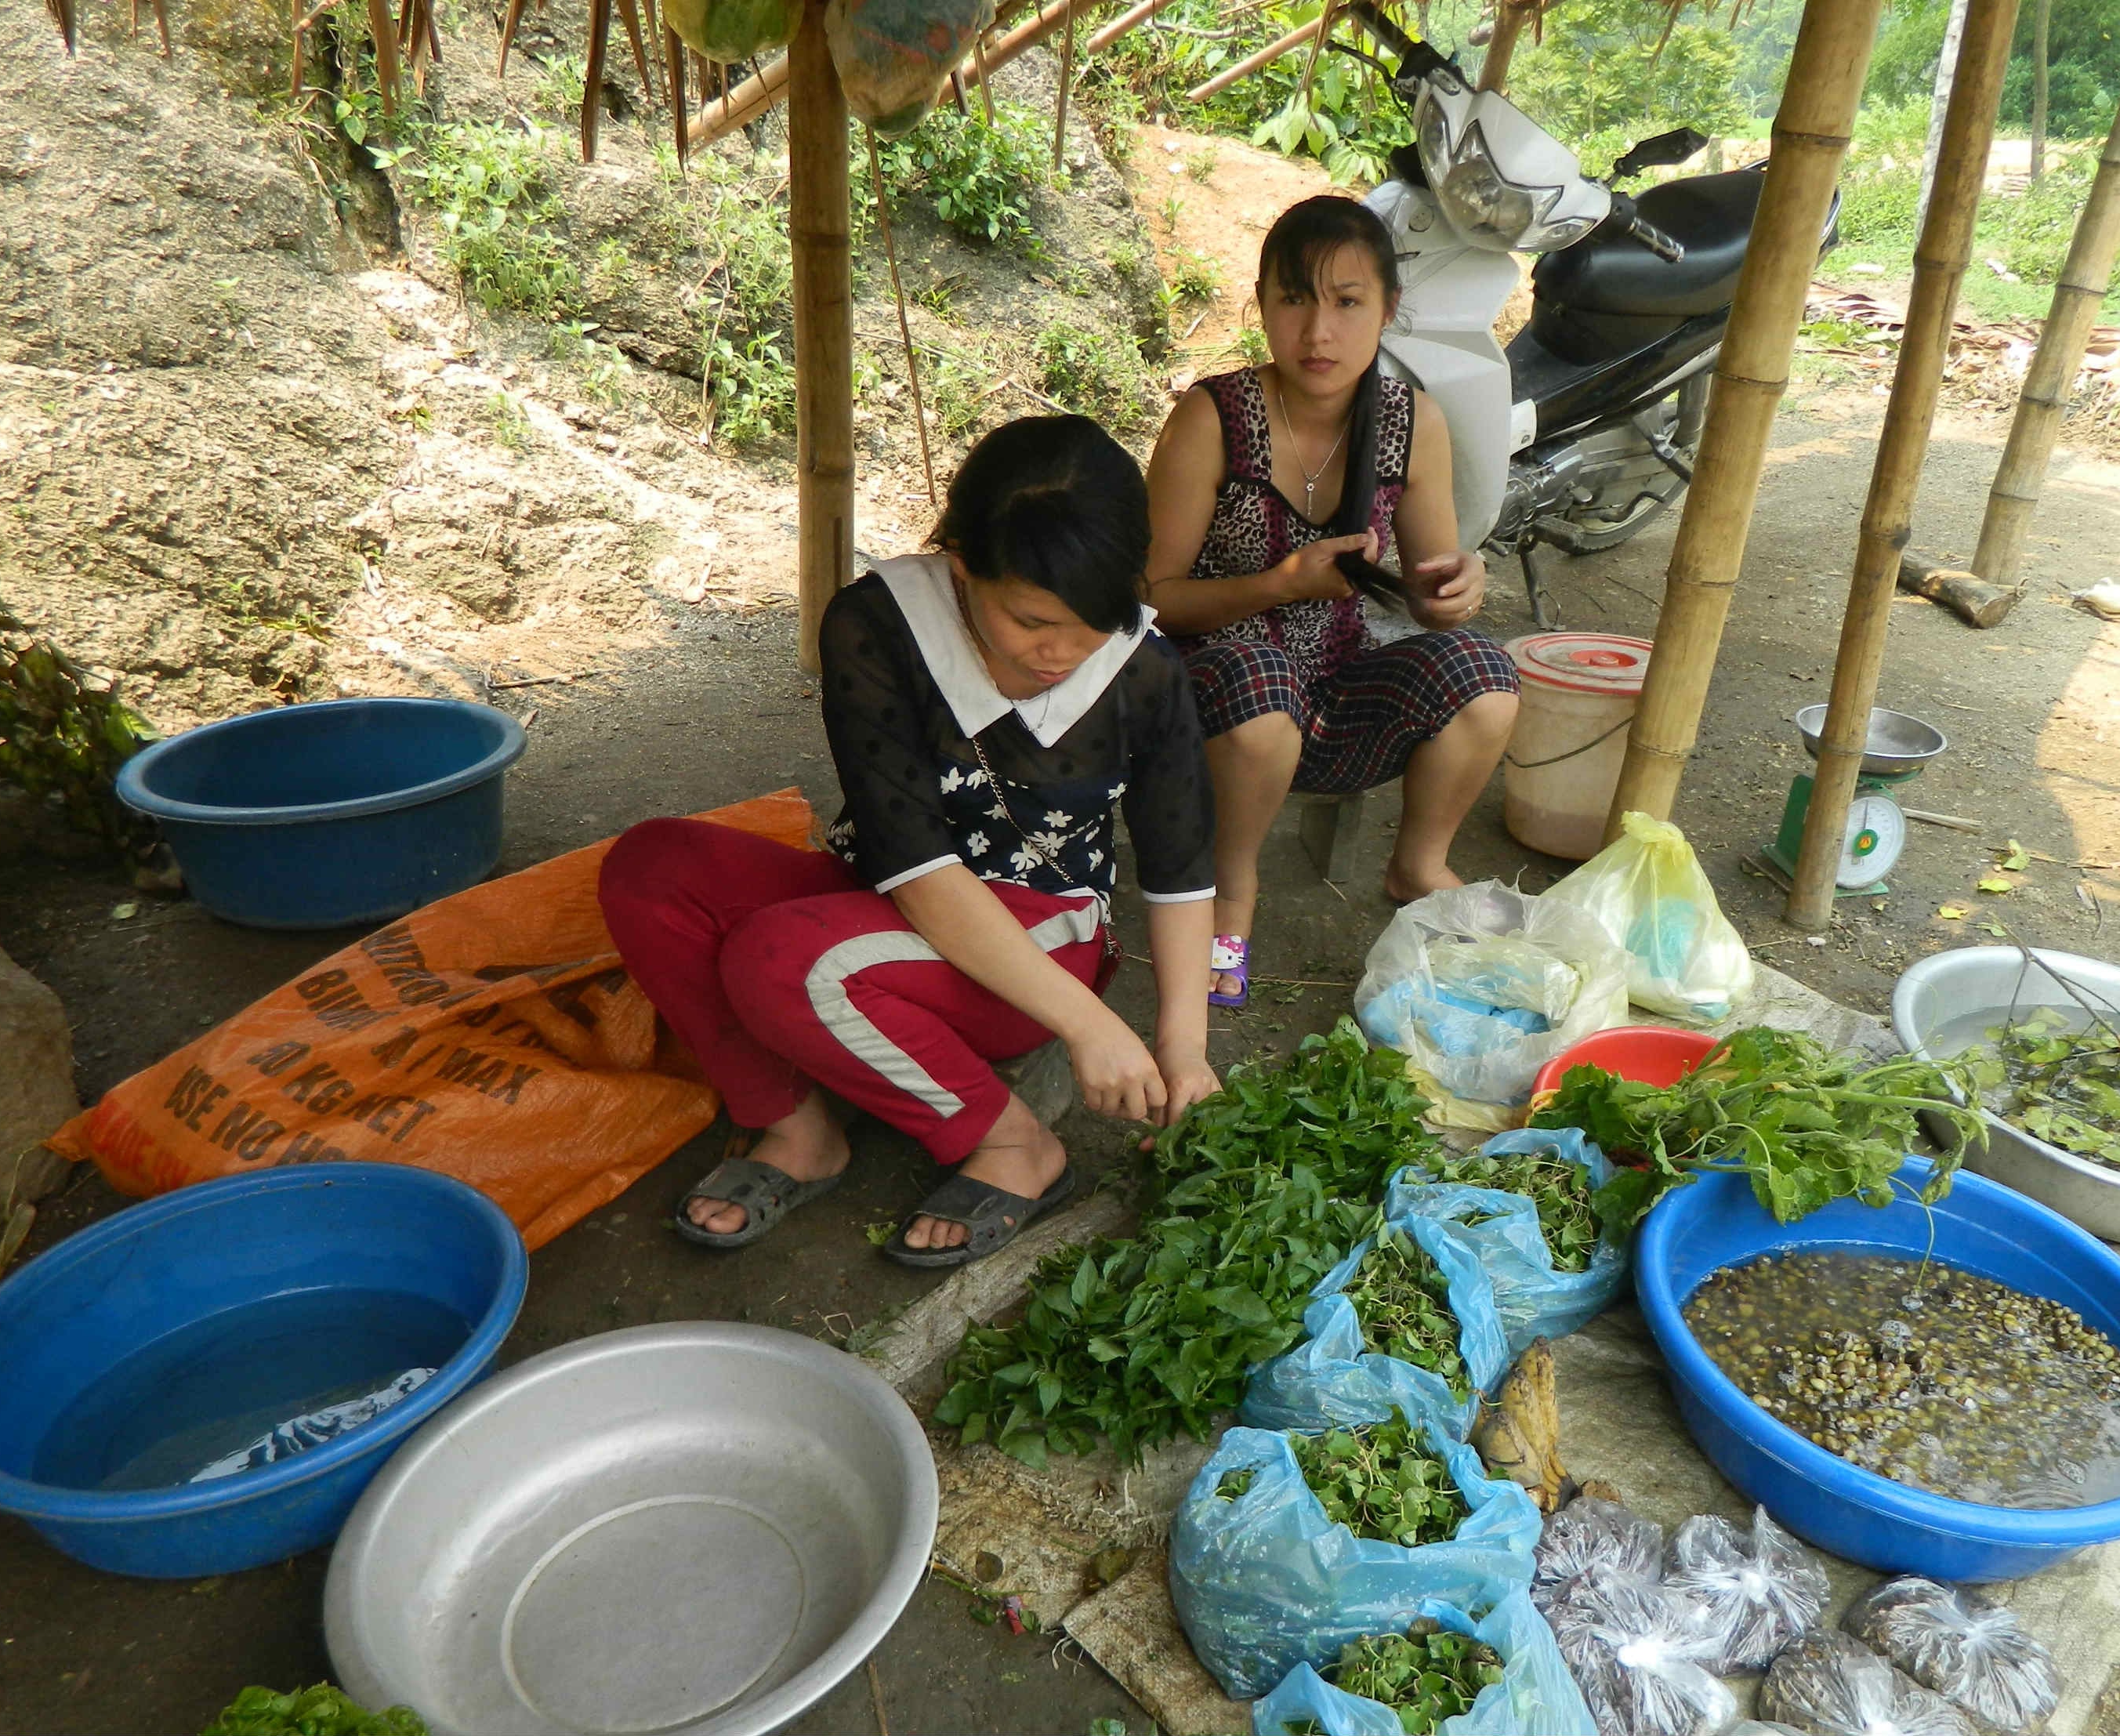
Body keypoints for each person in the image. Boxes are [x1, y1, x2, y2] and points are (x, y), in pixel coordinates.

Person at [597, 415, 1219, 1266]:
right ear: (961, 561)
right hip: (889, 893)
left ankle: (1014, 1145)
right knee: (653, 868)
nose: (1063, 652)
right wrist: (1095, 1030)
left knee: (784, 959)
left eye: (1091, 623)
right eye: (1033, 618)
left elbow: (1180, 865)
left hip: (1043, 939)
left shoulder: (1141, 667)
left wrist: (1179, 1046)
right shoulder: (878, 622)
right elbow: (913, 863)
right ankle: (797, 1125)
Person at [1144, 194, 1520, 1008]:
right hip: (1210, 690)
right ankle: (1231, 890)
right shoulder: (1212, 419)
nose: (1318, 332)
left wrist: (1455, 589)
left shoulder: (1410, 422)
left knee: (1485, 676)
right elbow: (1152, 600)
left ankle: (1417, 864)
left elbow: (1428, 588)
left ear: (1388, 309)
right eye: (1295, 299)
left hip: (1335, 683)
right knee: (1257, 688)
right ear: (1263, 306)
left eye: (1348, 302)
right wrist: (1278, 585)